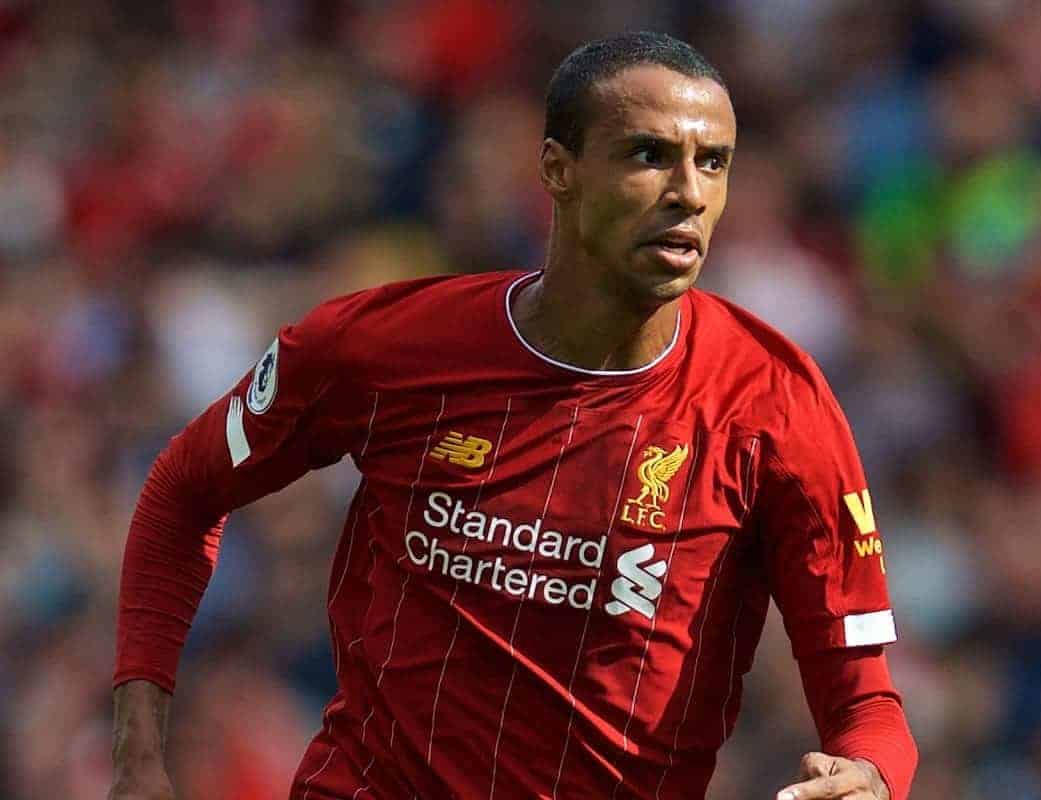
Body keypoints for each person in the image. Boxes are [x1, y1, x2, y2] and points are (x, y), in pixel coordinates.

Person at [108, 31, 918, 800]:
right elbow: (183, 490)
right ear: (557, 170)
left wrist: (871, 778)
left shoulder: (773, 404)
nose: (690, 193)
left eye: (714, 163)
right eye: (650, 155)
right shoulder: (384, 349)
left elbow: (868, 707)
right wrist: (140, 758)